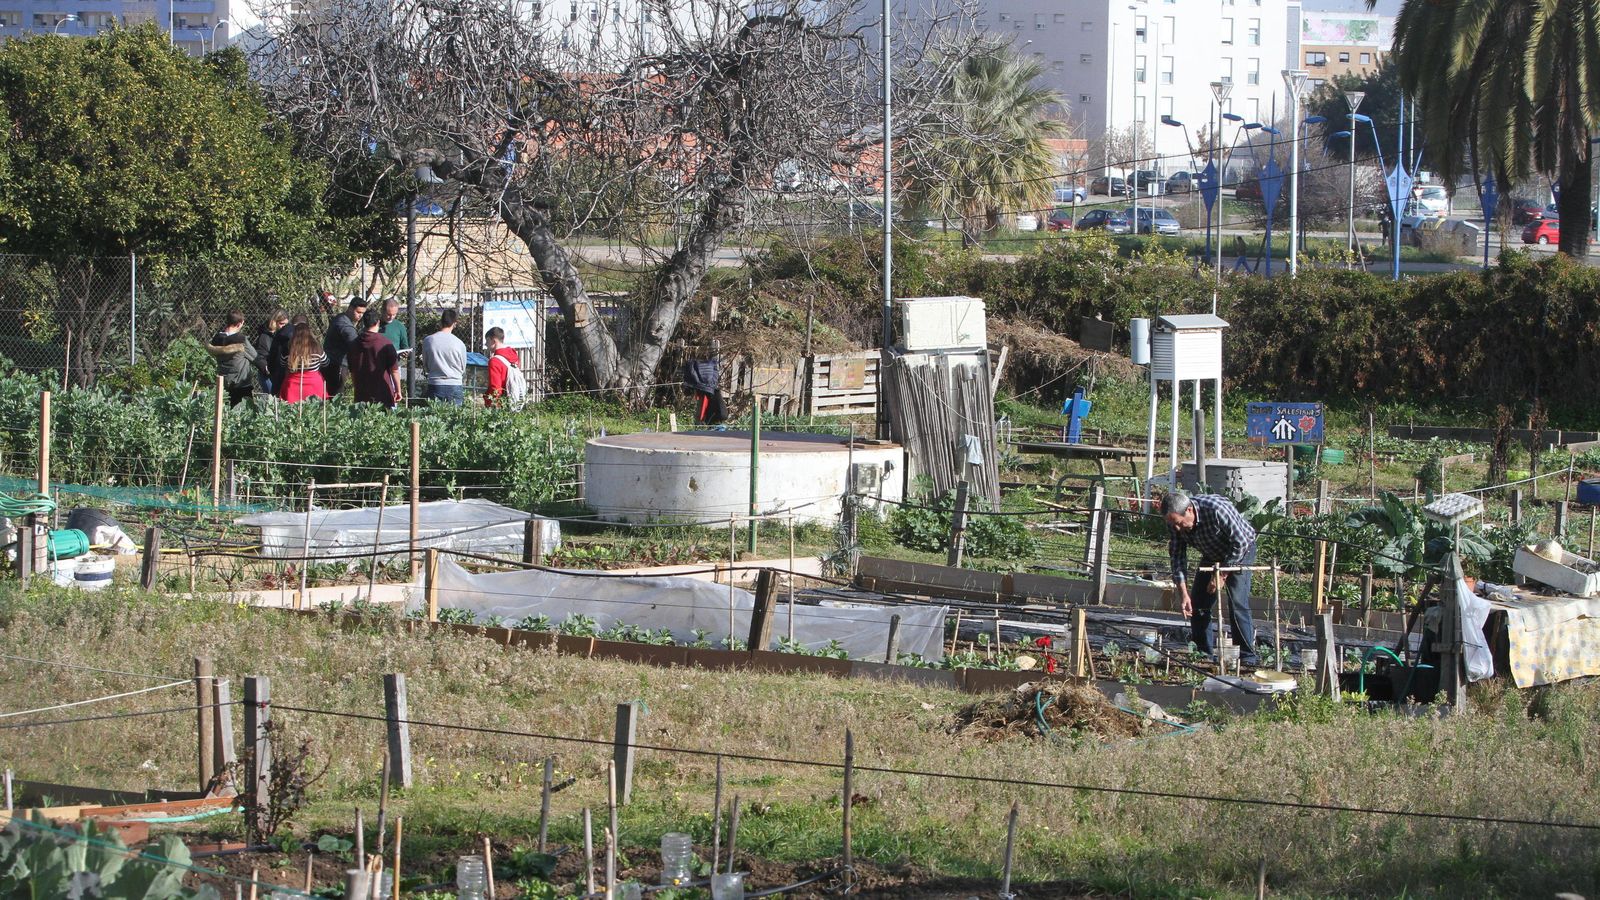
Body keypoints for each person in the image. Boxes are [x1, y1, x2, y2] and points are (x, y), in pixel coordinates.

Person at [1163, 491, 1260, 667]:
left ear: (1190, 510)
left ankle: (1247, 657)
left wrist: (1221, 575)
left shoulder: (1216, 509)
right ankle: (1203, 655)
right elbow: (1177, 557)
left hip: (1241, 550)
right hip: (1212, 553)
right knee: (1198, 603)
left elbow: (1241, 542)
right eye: (1172, 524)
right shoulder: (1174, 523)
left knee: (1237, 602)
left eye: (1178, 523)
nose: (1177, 528)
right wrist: (1183, 594)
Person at [346, 308, 400, 408]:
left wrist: (356, 389)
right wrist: (398, 390)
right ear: (378, 322)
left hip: (361, 394)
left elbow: (352, 372)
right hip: (382, 394)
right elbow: (394, 370)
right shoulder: (385, 343)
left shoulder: (353, 344)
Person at [207, 310, 257, 406]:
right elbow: (254, 356)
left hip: (224, 383)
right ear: (239, 324)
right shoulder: (241, 340)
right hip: (241, 383)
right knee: (246, 413)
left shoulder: (216, 339)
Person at [321, 296, 367, 397]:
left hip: (333, 363)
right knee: (336, 397)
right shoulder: (344, 324)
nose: (360, 316)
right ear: (350, 308)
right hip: (337, 365)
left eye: (363, 313)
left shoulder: (340, 318)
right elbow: (354, 341)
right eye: (358, 312)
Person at [421, 308, 467, 404]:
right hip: (455, 383)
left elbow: (425, 364)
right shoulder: (459, 343)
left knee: (435, 416)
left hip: (435, 383)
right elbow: (462, 367)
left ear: (441, 321)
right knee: (456, 418)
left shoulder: (428, 341)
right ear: (455, 323)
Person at [278, 317, 328, 403]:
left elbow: (282, 364)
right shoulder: (316, 347)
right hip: (314, 384)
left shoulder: (288, 348)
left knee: (291, 412)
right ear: (309, 333)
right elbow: (326, 362)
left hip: (293, 384)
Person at [484, 326, 521, 407]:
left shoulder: (494, 361)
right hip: (514, 398)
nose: (486, 344)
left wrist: (489, 403)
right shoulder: (514, 355)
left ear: (494, 341)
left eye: (487, 340)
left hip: (502, 402)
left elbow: (496, 388)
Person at [254, 310, 287, 397]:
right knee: (272, 401)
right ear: (274, 322)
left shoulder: (283, 336)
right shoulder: (264, 337)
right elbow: (260, 356)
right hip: (268, 375)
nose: (284, 326)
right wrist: (266, 368)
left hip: (279, 373)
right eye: (281, 323)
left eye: (285, 324)